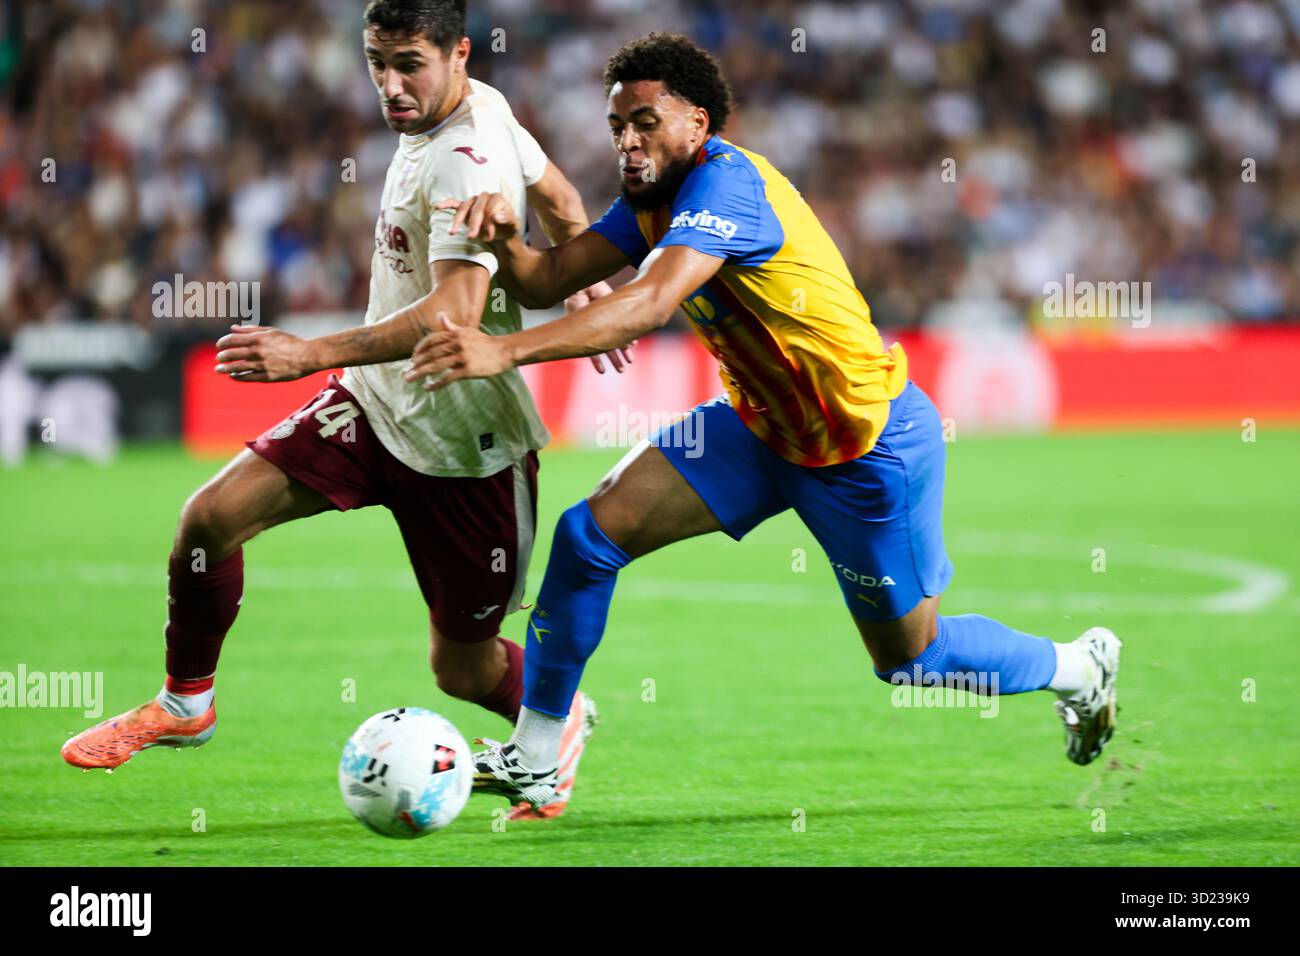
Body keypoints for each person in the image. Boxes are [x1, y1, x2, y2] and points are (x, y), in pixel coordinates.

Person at [405, 32, 1122, 810]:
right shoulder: (647, 202)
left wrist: (503, 351)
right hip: (753, 428)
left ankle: (1079, 666)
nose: (629, 141)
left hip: (861, 445)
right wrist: (506, 239)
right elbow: (549, 277)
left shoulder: (727, 188)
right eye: (618, 126)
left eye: (646, 121)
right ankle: (537, 755)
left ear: (699, 123)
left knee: (911, 662)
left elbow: (644, 305)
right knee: (588, 538)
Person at [61, 0, 624, 821]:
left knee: (462, 671)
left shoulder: (465, 155)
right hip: (374, 404)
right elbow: (564, 195)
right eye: (376, 63)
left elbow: (454, 315)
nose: (390, 86)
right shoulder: (485, 106)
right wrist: (584, 276)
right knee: (208, 520)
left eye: (409, 65)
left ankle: (554, 712)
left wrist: (309, 352)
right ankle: (187, 704)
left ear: (458, 52)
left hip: (467, 442)